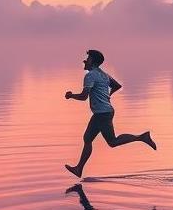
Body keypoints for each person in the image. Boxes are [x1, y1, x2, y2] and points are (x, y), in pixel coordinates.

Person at [64, 49, 156, 178]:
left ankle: (142, 137)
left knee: (112, 141)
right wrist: (108, 96)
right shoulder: (104, 75)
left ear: (93, 62)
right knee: (88, 139)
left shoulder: (90, 76)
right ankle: (79, 169)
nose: (84, 60)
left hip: (102, 113)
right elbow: (117, 86)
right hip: (103, 112)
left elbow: (84, 96)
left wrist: (71, 95)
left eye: (88, 58)